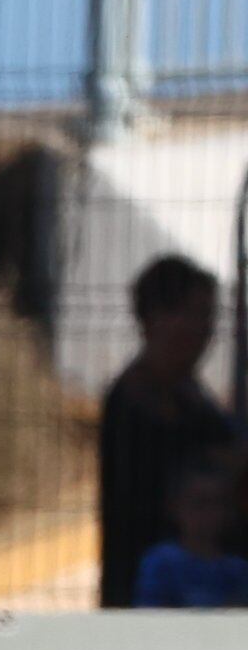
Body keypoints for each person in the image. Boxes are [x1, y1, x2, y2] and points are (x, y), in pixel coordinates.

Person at [100, 256, 233, 611]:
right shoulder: (135, 401)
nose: (206, 330)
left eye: (210, 316)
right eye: (195, 314)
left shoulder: (190, 394)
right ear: (156, 318)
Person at [135, 452, 248, 609]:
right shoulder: (162, 562)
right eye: (200, 503)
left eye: (219, 503)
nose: (210, 513)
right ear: (174, 506)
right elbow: (149, 614)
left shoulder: (237, 569)